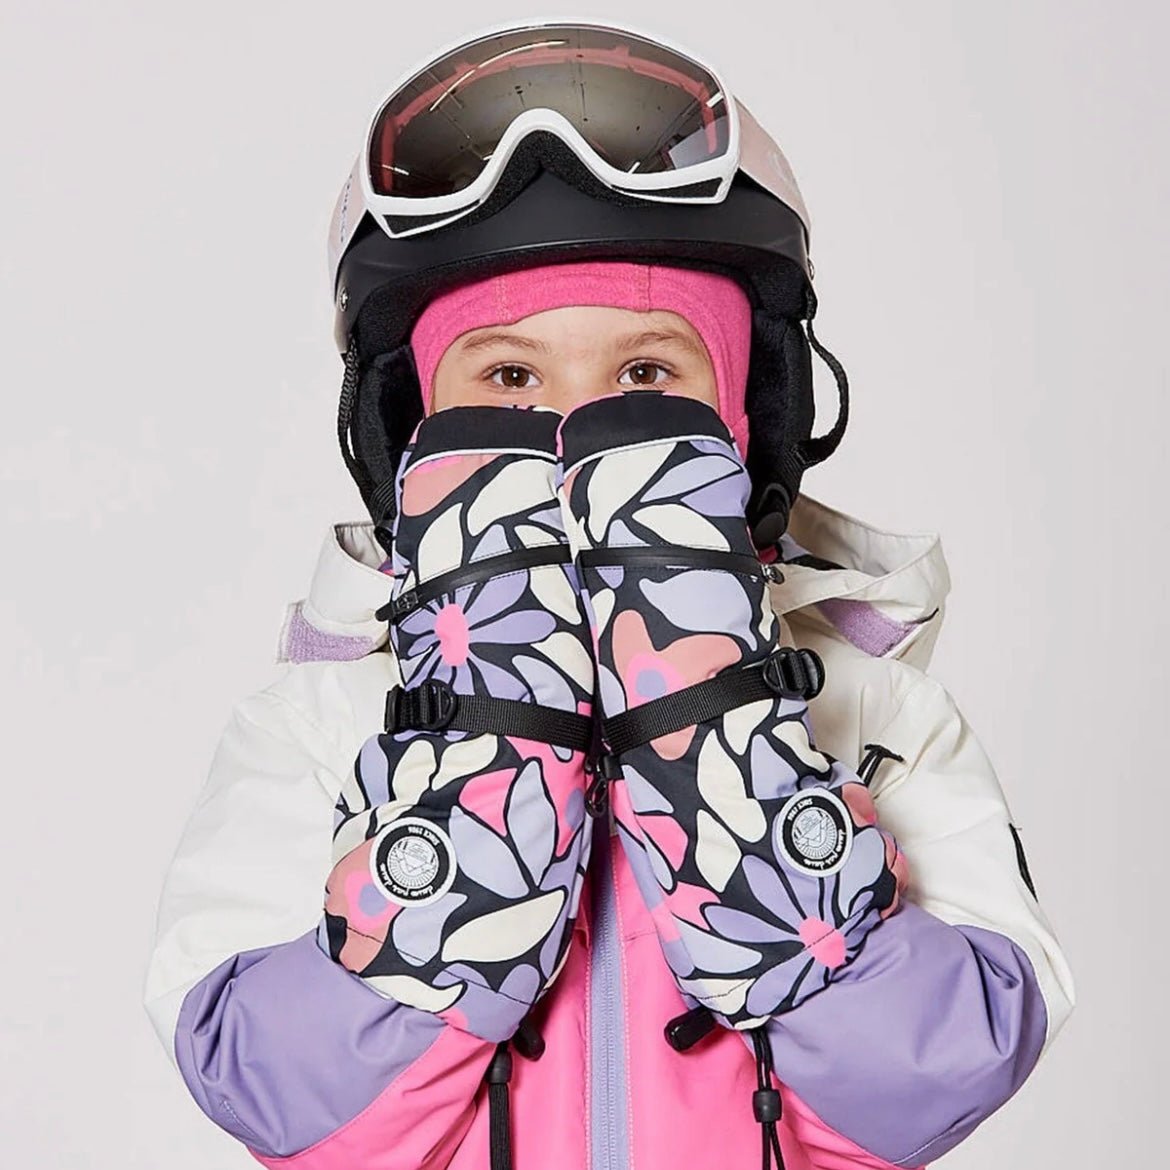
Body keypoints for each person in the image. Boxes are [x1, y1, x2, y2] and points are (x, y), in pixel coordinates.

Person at [142, 20, 1075, 1170]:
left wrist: (711, 725)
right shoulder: (318, 725)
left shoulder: (878, 715)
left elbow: (940, 1072)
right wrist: (487, 742)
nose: (577, 433)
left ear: (750, 414)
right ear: (408, 425)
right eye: (510, 377)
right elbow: (280, 1096)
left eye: (645, 376)